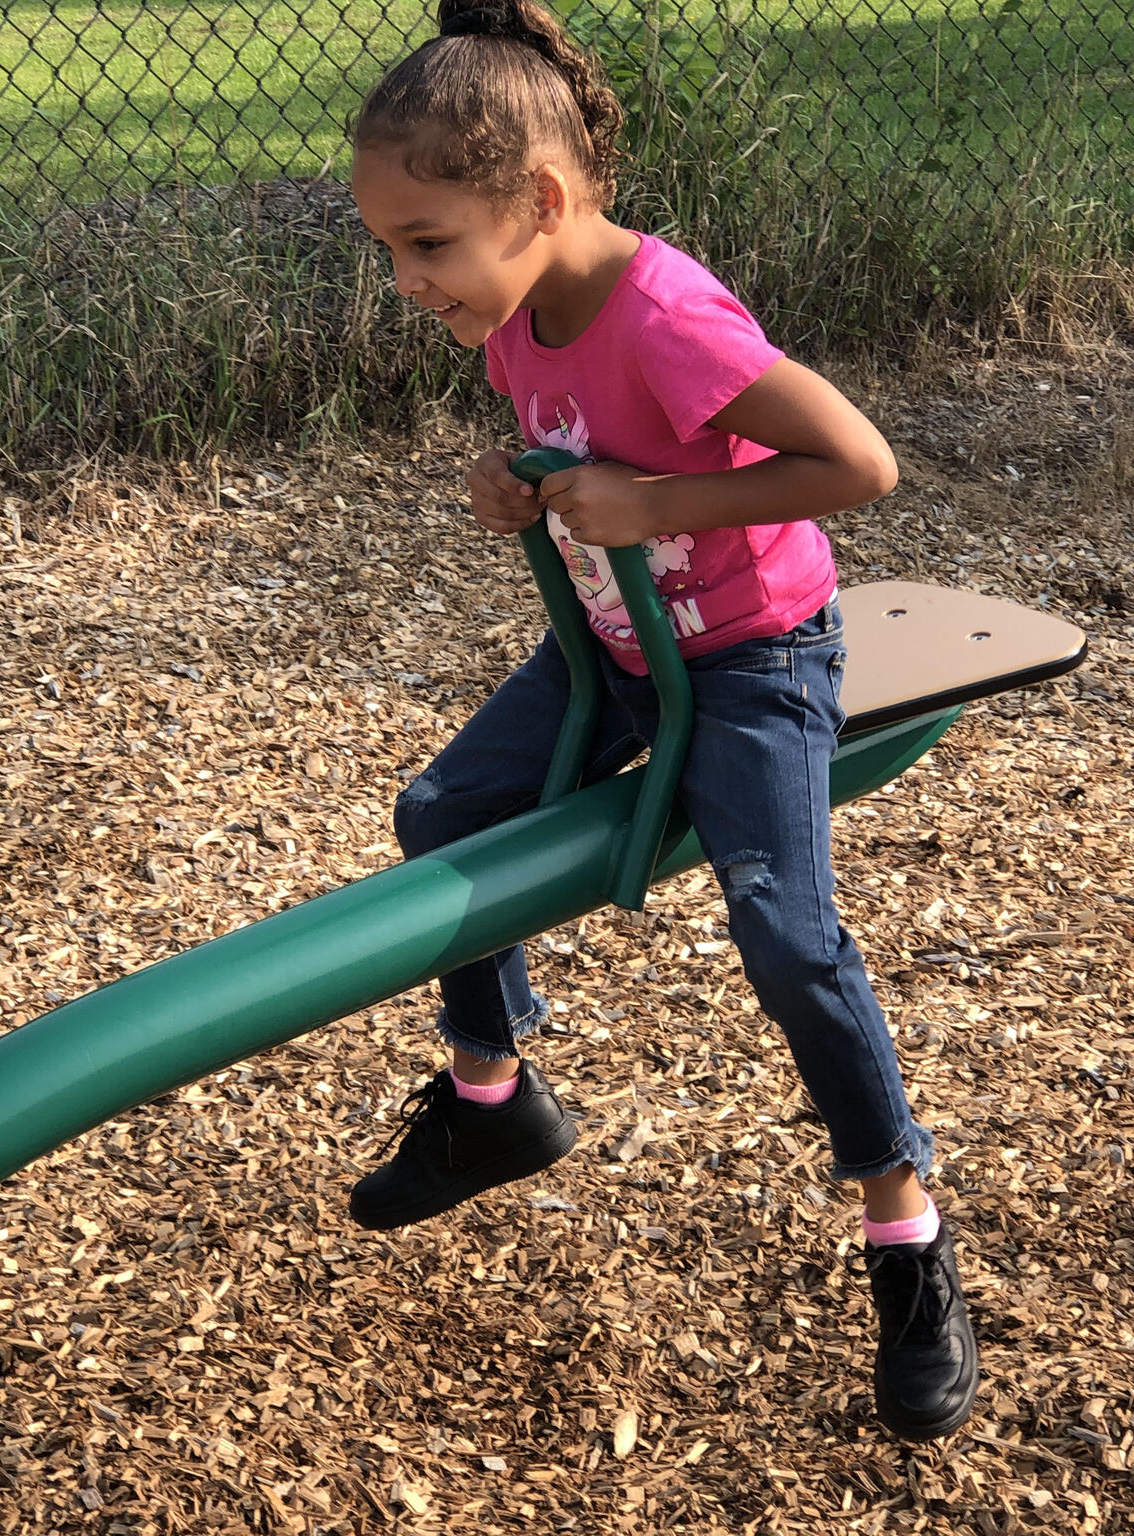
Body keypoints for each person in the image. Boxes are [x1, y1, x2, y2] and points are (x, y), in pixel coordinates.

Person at [346, 0, 978, 1441]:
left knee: (785, 928)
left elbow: (858, 463)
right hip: (623, 653)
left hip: (755, 656)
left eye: (425, 244)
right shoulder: (519, 314)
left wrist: (661, 504)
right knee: (443, 815)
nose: (405, 281)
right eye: (389, 249)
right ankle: (493, 1094)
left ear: (541, 200)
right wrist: (512, 485)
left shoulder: (669, 315)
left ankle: (903, 1221)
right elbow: (571, 449)